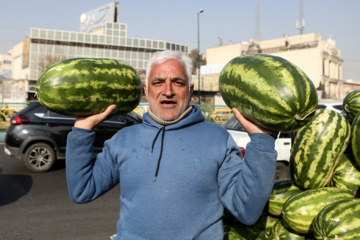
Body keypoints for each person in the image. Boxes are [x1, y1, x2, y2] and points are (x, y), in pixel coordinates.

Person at [66, 50, 278, 240]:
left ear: (191, 90)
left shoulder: (217, 138)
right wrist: (82, 130)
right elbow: (82, 190)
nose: (168, 91)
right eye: (158, 82)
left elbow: (246, 211)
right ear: (146, 89)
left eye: (178, 82)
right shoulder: (123, 139)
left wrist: (262, 142)